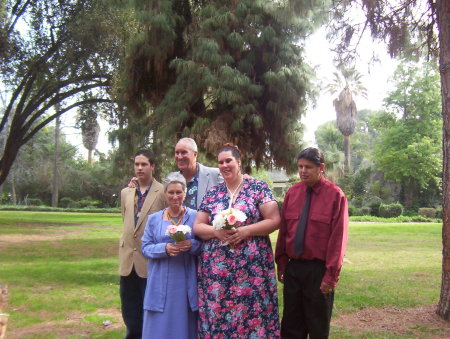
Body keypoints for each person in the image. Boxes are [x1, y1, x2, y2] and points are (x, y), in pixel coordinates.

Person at [194, 144, 281, 338]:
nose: (224, 165)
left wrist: (246, 231)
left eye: (228, 161)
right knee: (219, 316)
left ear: (239, 162)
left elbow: (274, 220)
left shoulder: (258, 188)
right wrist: (216, 232)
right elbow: (198, 226)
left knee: (253, 315)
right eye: (220, 162)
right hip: (217, 274)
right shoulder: (213, 193)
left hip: (252, 272)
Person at [275, 147, 349, 339]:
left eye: (308, 167)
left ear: (321, 168)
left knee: (317, 327)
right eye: (300, 166)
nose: (303, 171)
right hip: (294, 270)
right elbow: (284, 231)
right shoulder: (292, 193)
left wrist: (331, 276)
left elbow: (338, 240)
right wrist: (282, 264)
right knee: (291, 326)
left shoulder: (335, 196)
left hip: (319, 271)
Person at [141, 172, 201, 339]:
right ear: (165, 193)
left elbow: (205, 247)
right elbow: (145, 248)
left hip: (185, 282)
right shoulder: (154, 219)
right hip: (160, 283)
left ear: (185, 193)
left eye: (179, 192)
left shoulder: (195, 217)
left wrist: (192, 245)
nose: (175, 196)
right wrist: (164, 248)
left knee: (183, 325)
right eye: (171, 192)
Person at [119, 149, 166, 339]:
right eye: (137, 164)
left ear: (152, 166)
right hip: (127, 260)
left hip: (150, 261)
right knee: (130, 310)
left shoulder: (163, 191)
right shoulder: (126, 192)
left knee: (151, 310)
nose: (139, 168)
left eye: (144, 164)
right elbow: (127, 222)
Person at [130, 137, 222, 210]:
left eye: (183, 152)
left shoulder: (215, 175)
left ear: (195, 154)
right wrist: (138, 186)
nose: (179, 157)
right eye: (177, 153)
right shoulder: (171, 180)